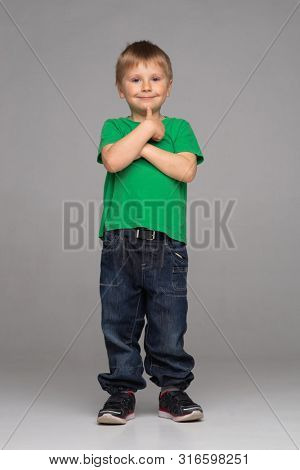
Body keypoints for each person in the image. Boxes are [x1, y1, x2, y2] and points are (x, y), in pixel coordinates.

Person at [96, 40, 205, 424]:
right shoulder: (114, 127)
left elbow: (185, 170)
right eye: (135, 79)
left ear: (169, 85)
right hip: (119, 241)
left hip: (167, 243)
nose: (146, 86)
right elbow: (113, 160)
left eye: (155, 78)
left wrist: (145, 142)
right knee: (119, 319)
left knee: (168, 318)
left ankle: (172, 390)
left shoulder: (179, 128)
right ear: (120, 88)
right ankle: (122, 392)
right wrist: (144, 130)